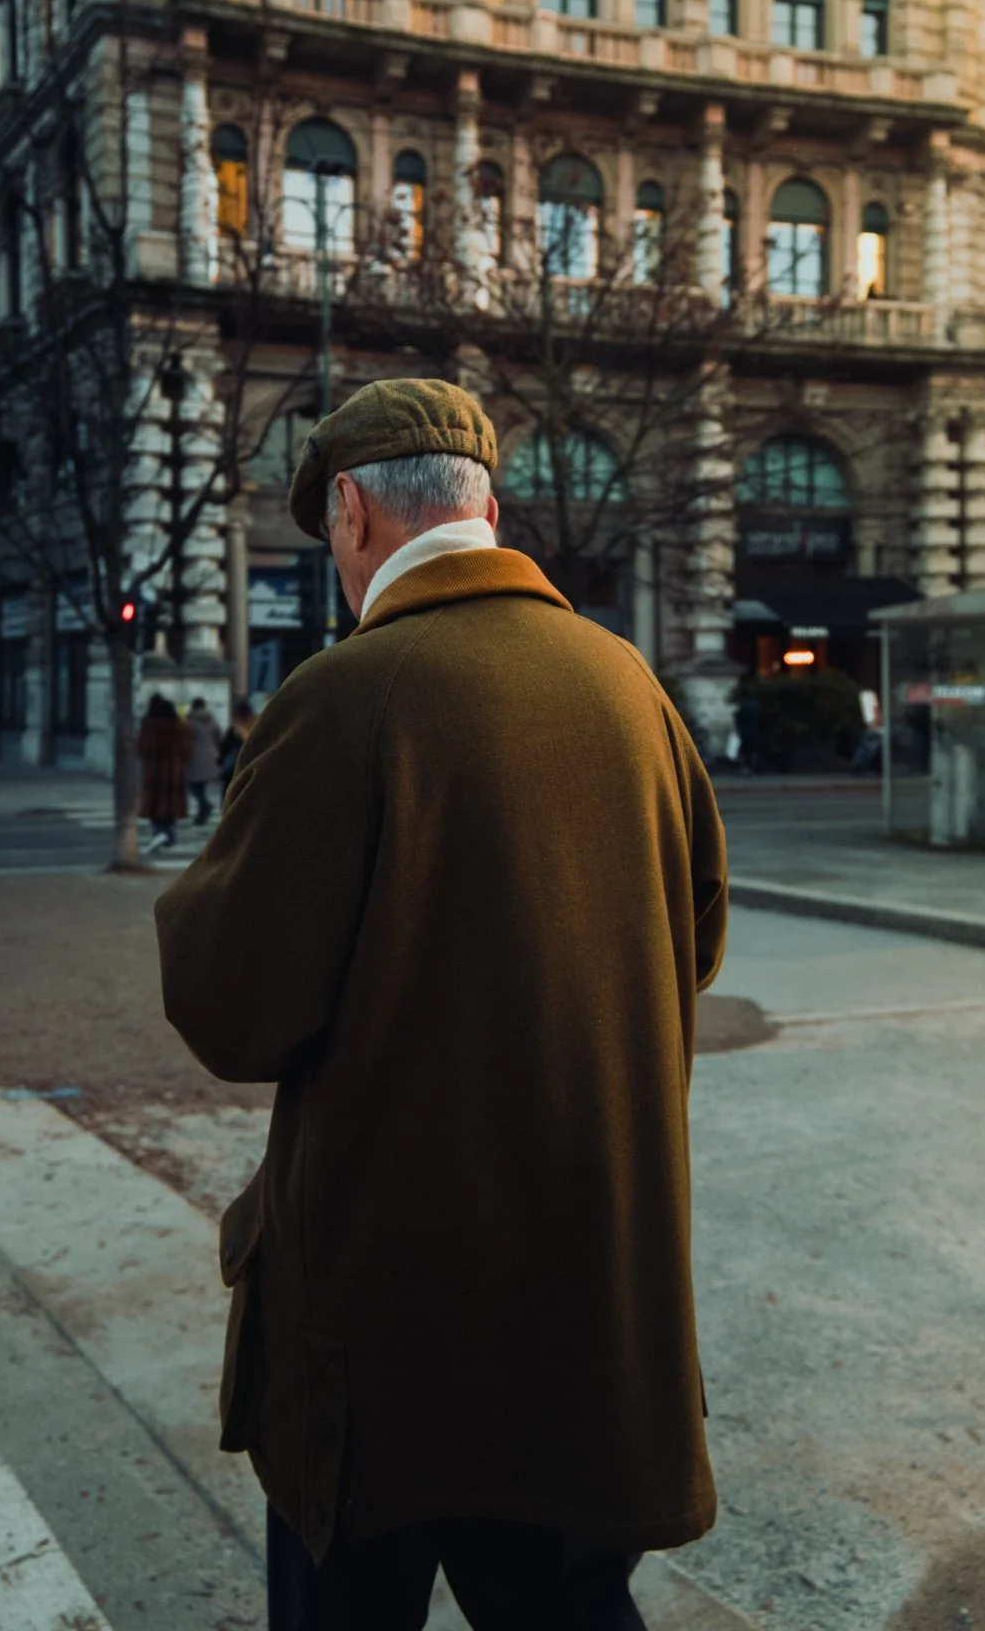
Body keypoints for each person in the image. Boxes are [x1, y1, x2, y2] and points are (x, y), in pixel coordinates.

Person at [157, 379, 728, 1631]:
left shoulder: (346, 693)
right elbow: (693, 942)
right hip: (588, 1306)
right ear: (485, 507)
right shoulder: (627, 683)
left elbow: (231, 1009)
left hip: (386, 1326)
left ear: (352, 512)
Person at [138, 693, 192, 851]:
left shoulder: (148, 726)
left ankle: (159, 833)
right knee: (172, 805)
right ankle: (170, 835)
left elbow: (141, 749)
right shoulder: (181, 727)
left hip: (153, 772)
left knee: (154, 804)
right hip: (175, 773)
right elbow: (188, 750)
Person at [185, 696, 222, 827]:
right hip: (211, 756)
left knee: (194, 786)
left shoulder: (189, 721)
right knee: (200, 786)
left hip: (194, 757)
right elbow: (218, 737)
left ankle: (205, 806)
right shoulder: (211, 720)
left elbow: (185, 740)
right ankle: (202, 814)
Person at [216, 697, 255, 797]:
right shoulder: (254, 730)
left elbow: (223, 750)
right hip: (243, 772)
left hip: (235, 773)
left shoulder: (233, 731)